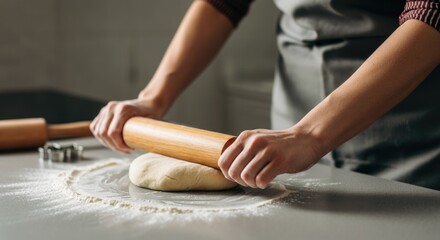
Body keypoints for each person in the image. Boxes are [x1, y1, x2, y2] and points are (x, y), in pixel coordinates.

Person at [90, 0, 440, 190]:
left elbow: (431, 15)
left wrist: (310, 135)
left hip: (407, 132)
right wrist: (154, 97)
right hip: (291, 135)